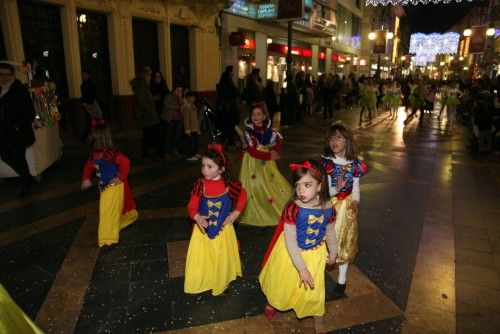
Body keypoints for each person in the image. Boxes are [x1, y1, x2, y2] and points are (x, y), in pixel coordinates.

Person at [259, 159, 338, 334]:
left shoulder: (329, 209)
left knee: (315, 291)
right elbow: (290, 240)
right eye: (298, 185)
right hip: (290, 253)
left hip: (315, 255)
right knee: (283, 282)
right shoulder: (293, 209)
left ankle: (318, 320)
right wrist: (301, 268)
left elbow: (330, 232)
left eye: (307, 185)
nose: (301, 190)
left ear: (319, 186)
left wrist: (333, 252)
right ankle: (274, 301)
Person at [184, 144, 247, 295]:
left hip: (224, 229)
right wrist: (197, 216)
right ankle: (206, 279)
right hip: (203, 230)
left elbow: (243, 195)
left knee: (221, 256)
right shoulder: (200, 184)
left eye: (210, 166)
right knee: (205, 257)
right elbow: (192, 204)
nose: (205, 169)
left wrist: (236, 213)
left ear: (221, 169)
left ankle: (222, 281)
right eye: (203, 165)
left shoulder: (229, 185)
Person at [322, 121, 367, 297]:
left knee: (343, 242)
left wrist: (356, 201)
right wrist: (336, 190)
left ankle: (341, 280)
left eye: (339, 138)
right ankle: (317, 270)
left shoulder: (355, 165)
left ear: (347, 141)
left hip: (346, 208)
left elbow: (355, 186)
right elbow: (324, 189)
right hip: (328, 204)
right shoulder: (327, 163)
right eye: (332, 138)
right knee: (323, 240)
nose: (335, 141)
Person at [81, 123, 138, 248]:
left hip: (113, 188)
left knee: (107, 212)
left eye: (91, 134)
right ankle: (125, 220)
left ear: (96, 137)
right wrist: (85, 178)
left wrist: (120, 178)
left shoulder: (110, 154)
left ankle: (108, 239)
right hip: (105, 188)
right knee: (108, 212)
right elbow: (88, 166)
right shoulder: (94, 154)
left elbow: (126, 162)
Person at [238, 104, 291, 226]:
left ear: (264, 116)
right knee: (256, 185)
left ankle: (270, 209)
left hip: (267, 164)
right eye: (253, 114)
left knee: (270, 183)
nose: (256, 116)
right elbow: (251, 151)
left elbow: (278, 139)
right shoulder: (249, 131)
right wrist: (269, 156)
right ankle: (257, 211)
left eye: (259, 114)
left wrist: (275, 150)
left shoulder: (269, 131)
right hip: (252, 163)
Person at [0, 62, 36, 198]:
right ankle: (27, 177)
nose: (4, 78)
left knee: (19, 158)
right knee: (5, 156)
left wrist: (18, 125)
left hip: (17, 133)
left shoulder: (19, 89)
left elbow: (30, 112)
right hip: (3, 133)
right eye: (1, 75)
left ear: (13, 75)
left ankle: (26, 185)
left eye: (7, 75)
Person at [131, 68, 162, 163]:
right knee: (147, 136)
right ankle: (145, 155)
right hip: (148, 117)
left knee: (153, 134)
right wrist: (149, 109)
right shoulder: (141, 87)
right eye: (148, 75)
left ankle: (155, 153)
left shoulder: (144, 86)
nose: (150, 78)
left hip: (150, 116)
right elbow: (141, 101)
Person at [80, 70, 103, 142]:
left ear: (88, 75)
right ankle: (95, 136)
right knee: (91, 120)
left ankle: (98, 135)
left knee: (95, 119)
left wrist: (90, 102)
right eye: (82, 75)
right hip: (88, 103)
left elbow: (93, 93)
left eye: (84, 75)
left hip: (91, 103)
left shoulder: (90, 84)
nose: (83, 76)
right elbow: (85, 95)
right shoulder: (84, 84)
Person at [162, 86, 183, 157]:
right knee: (169, 135)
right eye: (178, 90)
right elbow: (167, 105)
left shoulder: (179, 98)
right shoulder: (168, 96)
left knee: (176, 135)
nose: (179, 92)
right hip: (169, 118)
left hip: (177, 118)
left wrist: (180, 97)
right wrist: (177, 107)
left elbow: (182, 105)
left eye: (180, 91)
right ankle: (166, 152)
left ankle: (175, 150)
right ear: (174, 90)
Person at [182, 91, 200, 161]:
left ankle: (195, 153)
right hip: (190, 129)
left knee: (195, 142)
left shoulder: (194, 107)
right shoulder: (186, 108)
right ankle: (189, 156)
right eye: (191, 98)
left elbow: (196, 118)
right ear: (187, 99)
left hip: (195, 128)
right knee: (189, 143)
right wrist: (187, 129)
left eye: (193, 98)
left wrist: (198, 129)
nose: (193, 99)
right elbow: (186, 119)